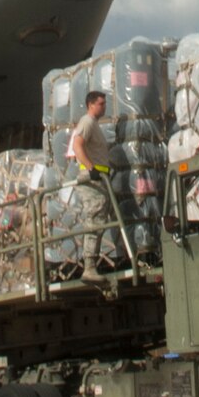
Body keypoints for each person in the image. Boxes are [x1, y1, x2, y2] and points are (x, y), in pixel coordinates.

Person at [66, 90, 114, 281]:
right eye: (101, 104)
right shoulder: (87, 122)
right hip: (93, 179)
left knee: (99, 221)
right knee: (94, 220)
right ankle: (89, 267)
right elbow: (78, 145)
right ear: (91, 104)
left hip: (100, 179)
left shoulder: (94, 124)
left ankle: (92, 265)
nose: (104, 107)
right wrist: (91, 168)